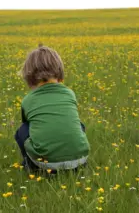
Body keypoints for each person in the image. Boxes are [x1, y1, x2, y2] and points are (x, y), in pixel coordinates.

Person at [14, 44, 90, 173]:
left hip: (46, 165)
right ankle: (75, 161)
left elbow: (27, 123)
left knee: (23, 130)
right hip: (80, 160)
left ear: (29, 75)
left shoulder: (28, 99)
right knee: (79, 125)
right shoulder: (69, 93)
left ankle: (30, 165)